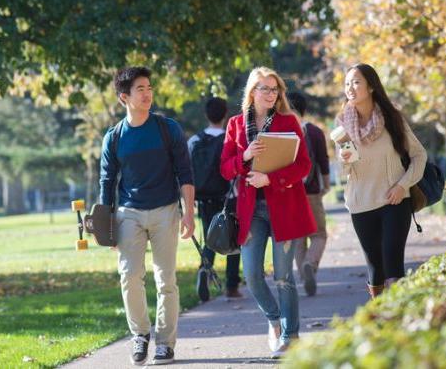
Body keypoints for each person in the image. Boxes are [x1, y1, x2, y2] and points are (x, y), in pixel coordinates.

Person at [99, 66, 195, 366]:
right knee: (129, 276)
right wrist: (106, 227)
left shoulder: (169, 129)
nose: (148, 93)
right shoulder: (114, 138)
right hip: (129, 213)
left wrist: (189, 213)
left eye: (150, 87)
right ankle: (140, 335)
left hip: (166, 210)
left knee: (166, 279)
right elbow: (106, 182)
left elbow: (186, 174)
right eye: (140, 89)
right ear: (124, 97)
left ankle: (165, 344)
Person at [219, 67, 316, 357]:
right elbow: (225, 169)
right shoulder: (236, 125)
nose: (271, 94)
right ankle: (274, 321)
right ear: (252, 92)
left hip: (285, 207)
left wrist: (271, 179)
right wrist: (244, 156)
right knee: (251, 275)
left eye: (275, 89)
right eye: (265, 88)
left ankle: (291, 336)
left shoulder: (288, 121)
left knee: (284, 276)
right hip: (251, 211)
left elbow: (304, 165)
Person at [335, 63, 427, 299]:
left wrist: (402, 185)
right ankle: (381, 321)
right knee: (375, 270)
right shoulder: (343, 124)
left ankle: (397, 320)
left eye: (356, 82)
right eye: (347, 84)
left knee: (393, 265)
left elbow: (419, 155)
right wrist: (344, 159)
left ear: (371, 86)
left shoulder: (391, 118)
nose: (350, 88)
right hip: (360, 204)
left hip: (394, 202)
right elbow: (345, 171)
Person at [187, 97, 242, 300]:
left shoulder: (194, 141)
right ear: (225, 114)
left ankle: (205, 270)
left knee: (210, 238)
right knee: (232, 239)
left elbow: (187, 172)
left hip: (203, 198)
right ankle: (232, 286)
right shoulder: (229, 140)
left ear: (206, 115)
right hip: (227, 196)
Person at [287, 91, 330, 297]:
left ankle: (304, 276)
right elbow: (323, 160)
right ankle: (310, 264)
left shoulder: (282, 132)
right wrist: (326, 184)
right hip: (311, 191)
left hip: (289, 193)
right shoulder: (313, 131)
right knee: (319, 234)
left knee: (298, 238)